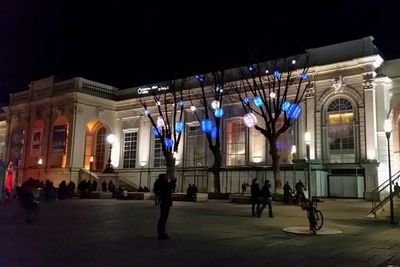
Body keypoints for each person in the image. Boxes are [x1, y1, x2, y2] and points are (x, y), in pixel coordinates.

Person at [154, 173, 176, 240]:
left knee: (163, 218)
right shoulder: (163, 183)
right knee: (163, 218)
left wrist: (172, 182)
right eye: (166, 177)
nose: (167, 178)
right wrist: (173, 181)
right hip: (165, 202)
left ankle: (162, 232)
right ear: (163, 177)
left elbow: (170, 186)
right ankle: (161, 233)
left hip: (165, 202)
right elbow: (169, 186)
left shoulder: (162, 183)